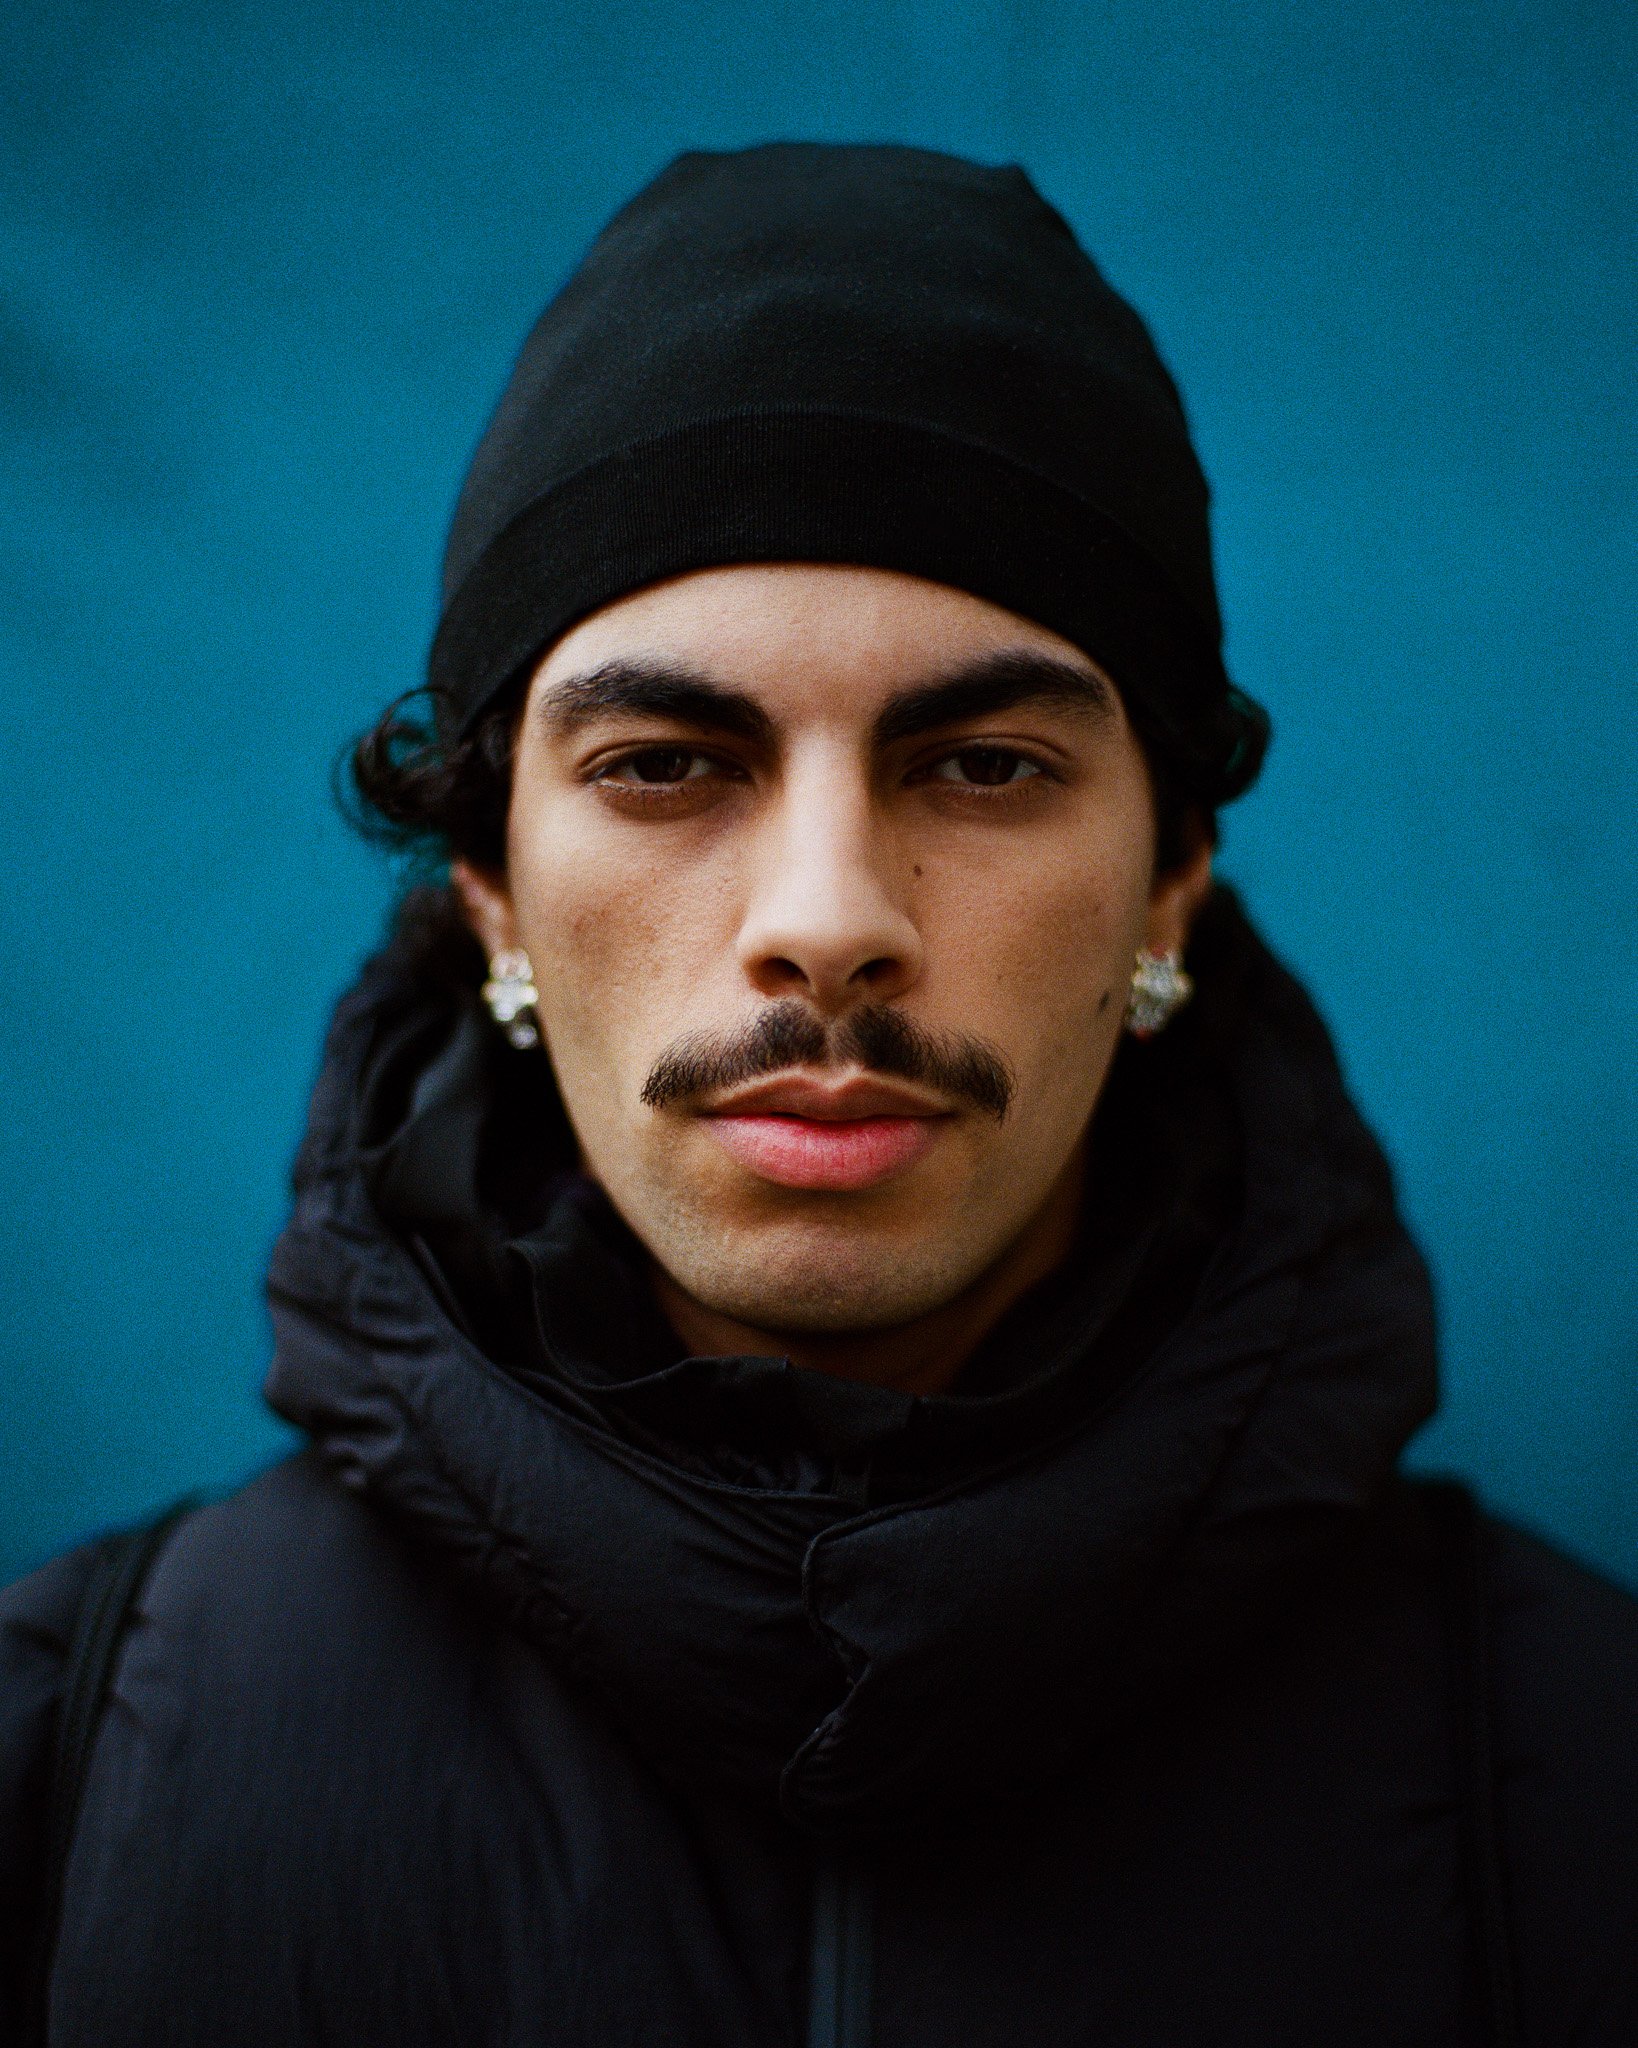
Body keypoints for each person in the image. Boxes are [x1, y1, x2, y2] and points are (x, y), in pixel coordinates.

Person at [3, 142, 1634, 2048]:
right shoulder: (63, 1766)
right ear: (491, 897)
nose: (828, 924)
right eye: (668, 765)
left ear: (1167, 885)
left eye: (986, 768)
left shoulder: (1573, 1774)